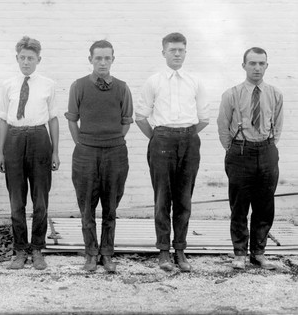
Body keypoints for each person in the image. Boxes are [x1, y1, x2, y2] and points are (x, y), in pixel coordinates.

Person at [135, 32, 209, 272]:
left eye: (181, 50)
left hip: (189, 139)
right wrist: (159, 137)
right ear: (164, 52)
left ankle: (180, 249)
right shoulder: (154, 81)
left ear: (185, 52)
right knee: (162, 198)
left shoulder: (195, 81)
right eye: (172, 50)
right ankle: (164, 251)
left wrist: (185, 134)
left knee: (184, 198)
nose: (177, 54)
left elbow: (204, 118)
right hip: (162, 140)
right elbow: (141, 117)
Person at [65, 40, 133, 273]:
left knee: (111, 206)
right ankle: (91, 254)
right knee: (87, 206)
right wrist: (83, 143)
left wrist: (111, 140)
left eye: (107, 58)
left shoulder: (123, 87)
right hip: (86, 153)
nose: (102, 62)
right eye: (98, 58)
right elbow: (72, 119)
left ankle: (107, 254)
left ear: (113, 59)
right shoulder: (79, 86)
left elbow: (125, 122)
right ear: (90, 60)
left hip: (115, 153)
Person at [0, 36, 60, 270]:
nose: (26, 62)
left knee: (40, 198)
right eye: (22, 58)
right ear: (17, 58)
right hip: (14, 138)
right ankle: (20, 249)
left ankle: (37, 249)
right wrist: (1, 153)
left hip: (39, 138)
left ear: (38, 59)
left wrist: (55, 152)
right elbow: (3, 119)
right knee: (16, 200)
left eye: (30, 58)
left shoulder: (48, 84)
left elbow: (53, 119)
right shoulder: (8, 85)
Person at [217, 47, 283, 270]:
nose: (257, 68)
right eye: (252, 63)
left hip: (266, 151)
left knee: (265, 205)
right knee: (239, 205)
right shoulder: (232, 94)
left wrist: (267, 146)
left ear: (266, 66)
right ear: (243, 65)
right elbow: (223, 126)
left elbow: (279, 126)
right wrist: (234, 148)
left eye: (261, 63)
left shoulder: (275, 94)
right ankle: (239, 253)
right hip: (240, 153)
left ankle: (258, 253)